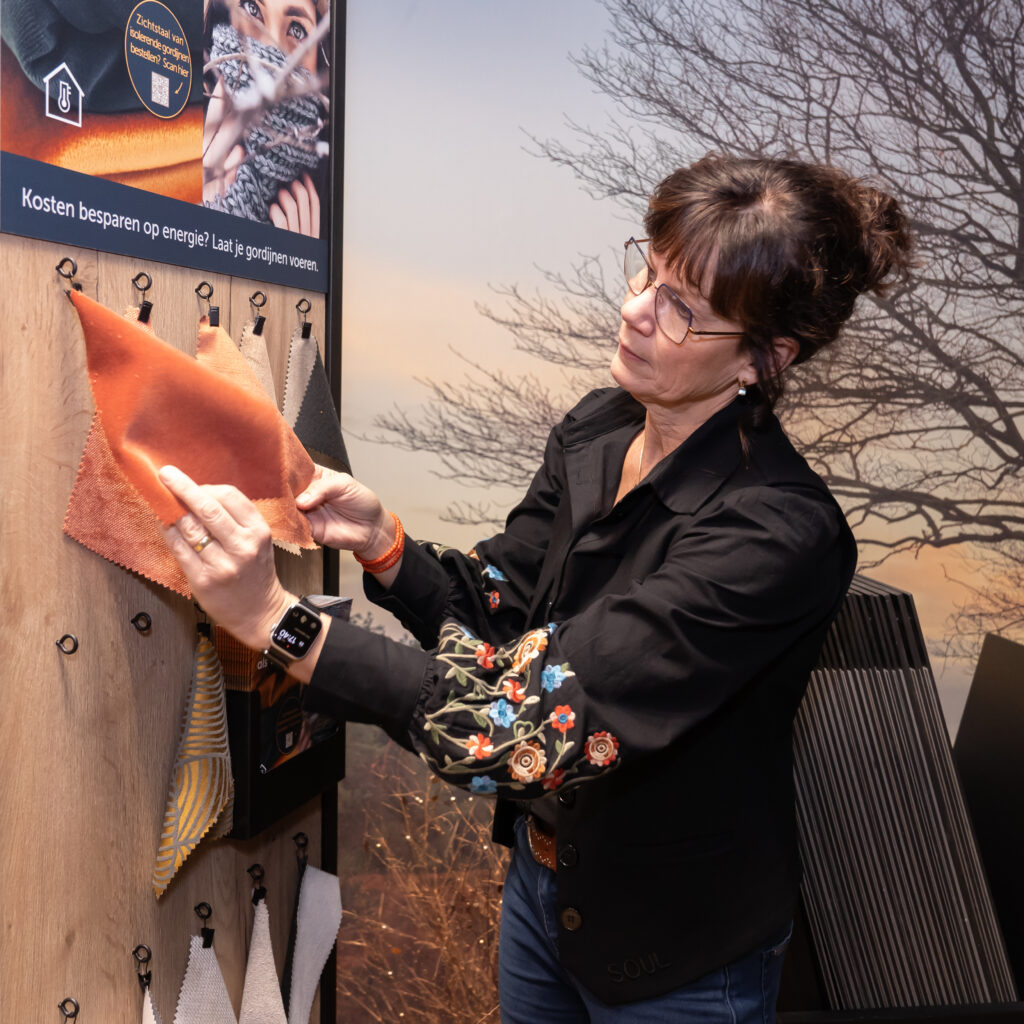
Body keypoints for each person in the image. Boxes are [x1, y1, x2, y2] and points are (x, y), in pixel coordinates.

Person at [158, 154, 912, 1022]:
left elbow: (517, 721)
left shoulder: (779, 534)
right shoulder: (600, 425)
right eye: (648, 273)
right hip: (544, 893)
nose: (635, 310)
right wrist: (388, 546)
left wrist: (271, 620)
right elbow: (502, 615)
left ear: (764, 357)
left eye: (682, 310)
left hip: (682, 954)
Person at [201, 0, 329, 236]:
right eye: (252, 9)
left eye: (297, 30)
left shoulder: (333, 227)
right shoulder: (167, 152)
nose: (271, 45)